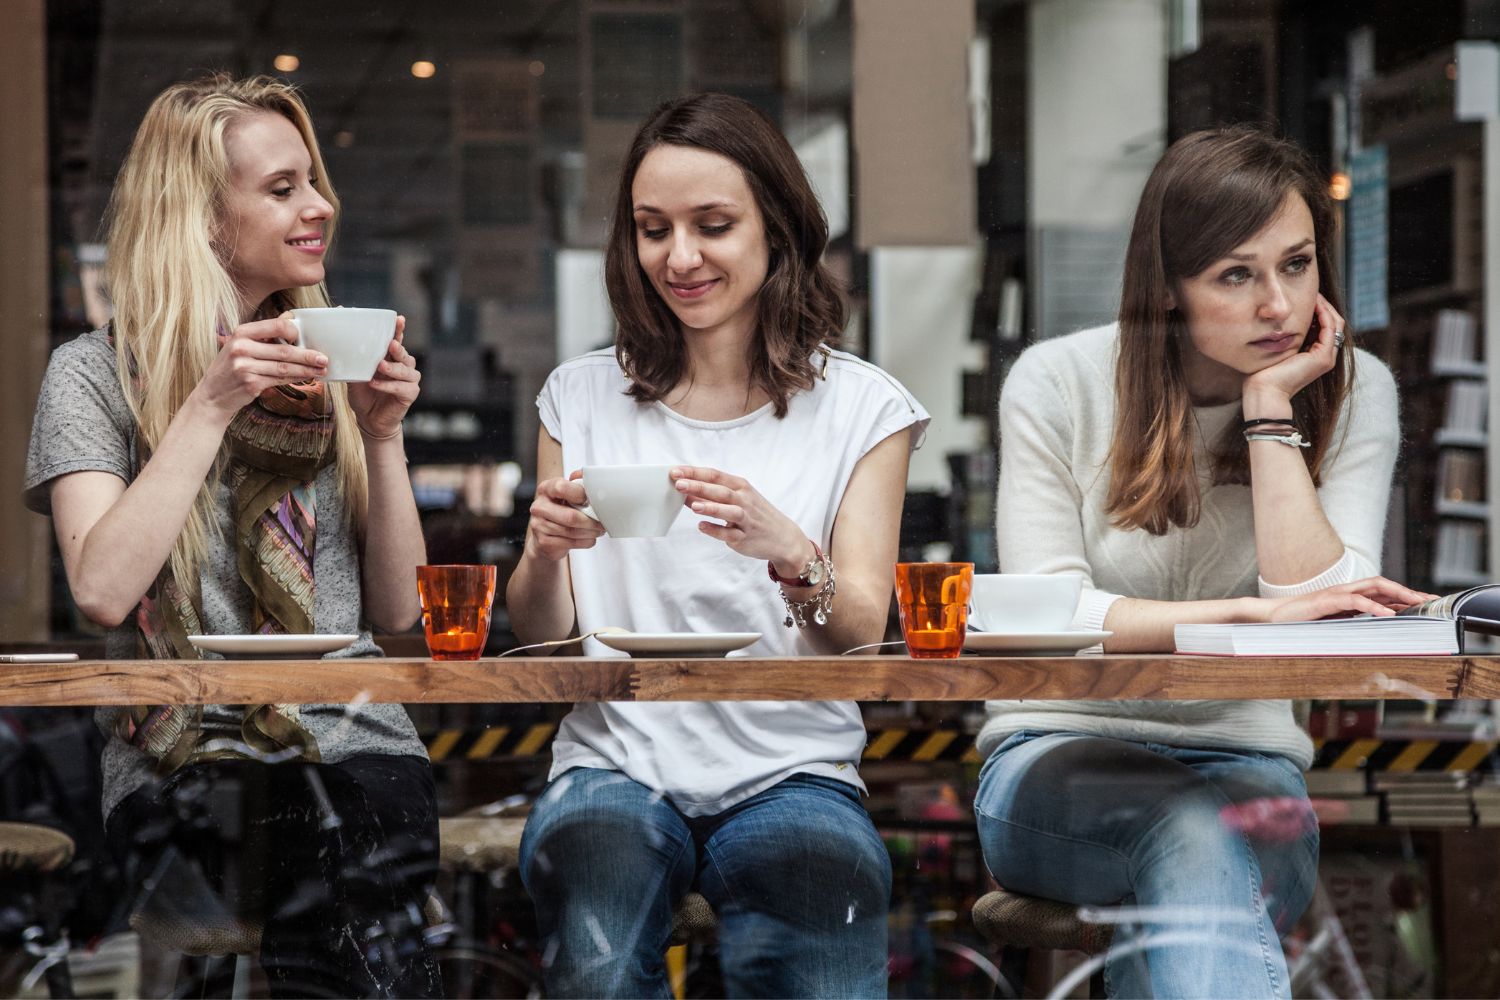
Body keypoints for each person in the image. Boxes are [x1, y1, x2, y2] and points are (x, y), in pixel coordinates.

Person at [975, 125, 1430, 998]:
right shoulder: (1057, 382)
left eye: (1296, 266)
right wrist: (1247, 618)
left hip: (1251, 771)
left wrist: (1269, 414)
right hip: (1055, 759)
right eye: (1236, 274)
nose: (1279, 307)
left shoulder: (1355, 389)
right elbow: (1046, 610)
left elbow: (1323, 608)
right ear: (1170, 289)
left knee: (1191, 866)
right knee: (1186, 833)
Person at [24, 74, 440, 998]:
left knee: (348, 811)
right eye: (283, 187)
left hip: (358, 738)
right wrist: (210, 403)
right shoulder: (94, 377)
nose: (320, 205)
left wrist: (381, 432)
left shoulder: (329, 369)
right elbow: (101, 588)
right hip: (184, 755)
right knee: (302, 821)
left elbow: (399, 611)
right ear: (202, 218)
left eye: (314, 181)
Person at [507, 91, 929, 998]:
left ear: (776, 228)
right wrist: (543, 552)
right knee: (596, 948)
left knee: (822, 931)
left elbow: (856, 634)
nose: (680, 257)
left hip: (795, 770)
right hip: (613, 764)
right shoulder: (579, 397)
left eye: (713, 225)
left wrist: (792, 552)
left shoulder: (862, 408)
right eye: (653, 229)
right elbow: (545, 637)